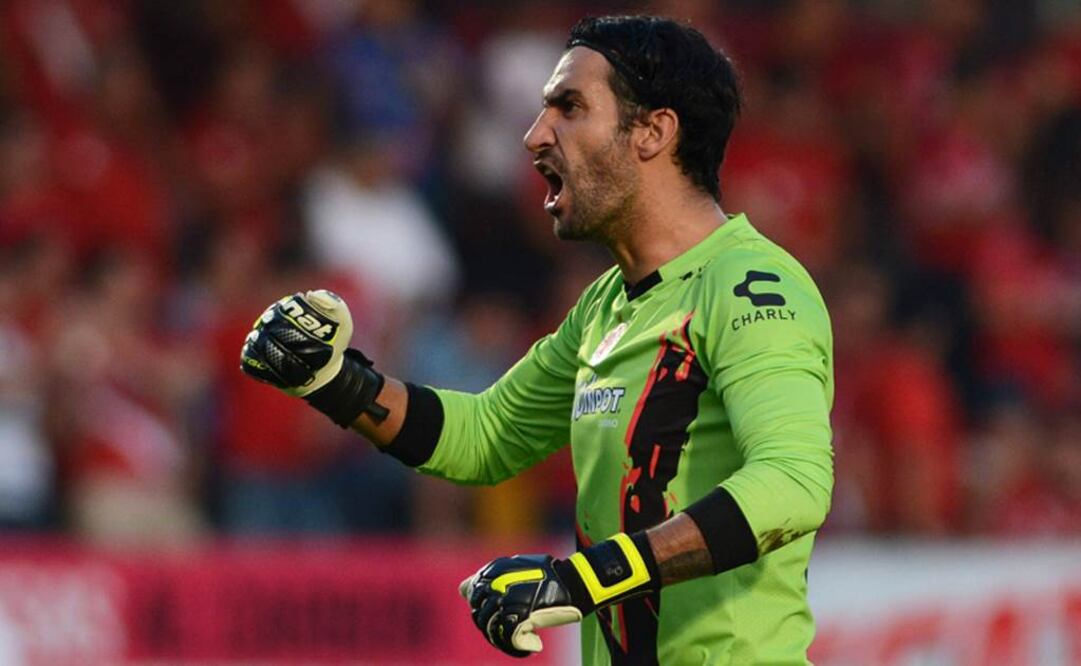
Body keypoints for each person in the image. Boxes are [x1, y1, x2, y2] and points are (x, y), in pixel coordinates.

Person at [240, 15, 834, 665]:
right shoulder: (604, 306)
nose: (534, 135)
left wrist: (582, 579)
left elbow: (792, 482)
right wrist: (334, 381)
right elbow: (485, 436)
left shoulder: (750, 283)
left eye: (569, 107)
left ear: (652, 132)